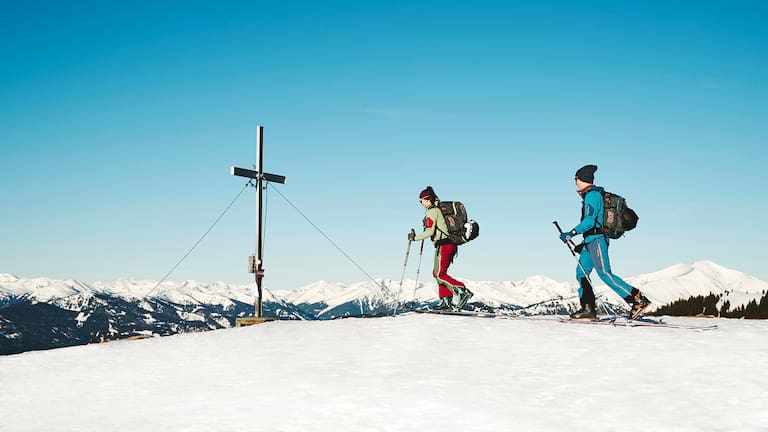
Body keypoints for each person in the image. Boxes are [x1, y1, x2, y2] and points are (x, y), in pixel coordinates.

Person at [559, 165, 650, 319]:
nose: (575, 182)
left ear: (582, 179)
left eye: (576, 179)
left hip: (597, 240)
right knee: (581, 273)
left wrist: (571, 233)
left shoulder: (592, 196)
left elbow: (589, 221)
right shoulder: (591, 195)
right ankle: (588, 309)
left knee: (605, 273)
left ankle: (638, 298)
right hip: (590, 241)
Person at [409, 186, 473, 310]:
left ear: (427, 199)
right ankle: (446, 301)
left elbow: (429, 231)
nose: (421, 203)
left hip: (444, 244)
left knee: (439, 274)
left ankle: (462, 291)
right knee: (437, 273)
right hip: (449, 244)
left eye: (421, 200)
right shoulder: (437, 210)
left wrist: (415, 238)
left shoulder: (432, 211)